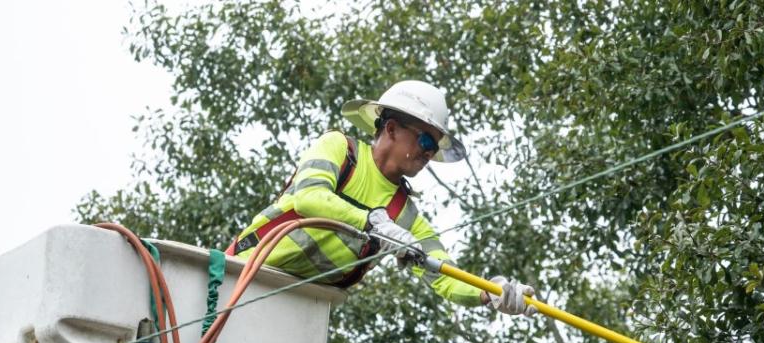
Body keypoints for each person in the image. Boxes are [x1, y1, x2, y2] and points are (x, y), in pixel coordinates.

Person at [226, 80, 535, 316]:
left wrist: (489, 292)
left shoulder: (403, 214)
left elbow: (442, 275)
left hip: (300, 306)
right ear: (391, 128)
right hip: (238, 276)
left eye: (435, 146)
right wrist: (372, 222)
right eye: (426, 140)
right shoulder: (340, 150)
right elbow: (309, 197)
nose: (429, 153)